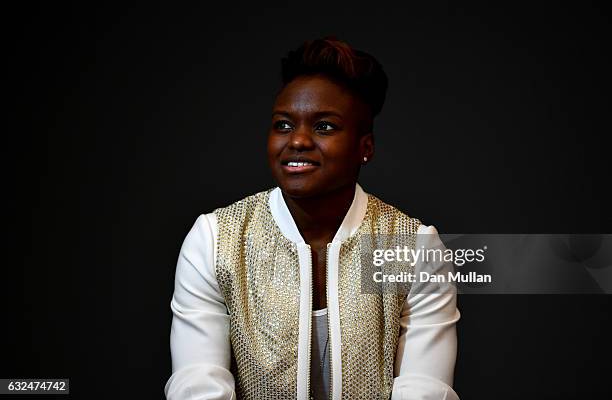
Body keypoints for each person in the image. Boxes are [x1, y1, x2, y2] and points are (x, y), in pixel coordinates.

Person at [164, 36, 460, 400]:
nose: (298, 141)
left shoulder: (412, 246)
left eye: (324, 127)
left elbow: (425, 390)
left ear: (364, 147)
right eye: (284, 125)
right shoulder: (215, 240)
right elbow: (197, 384)